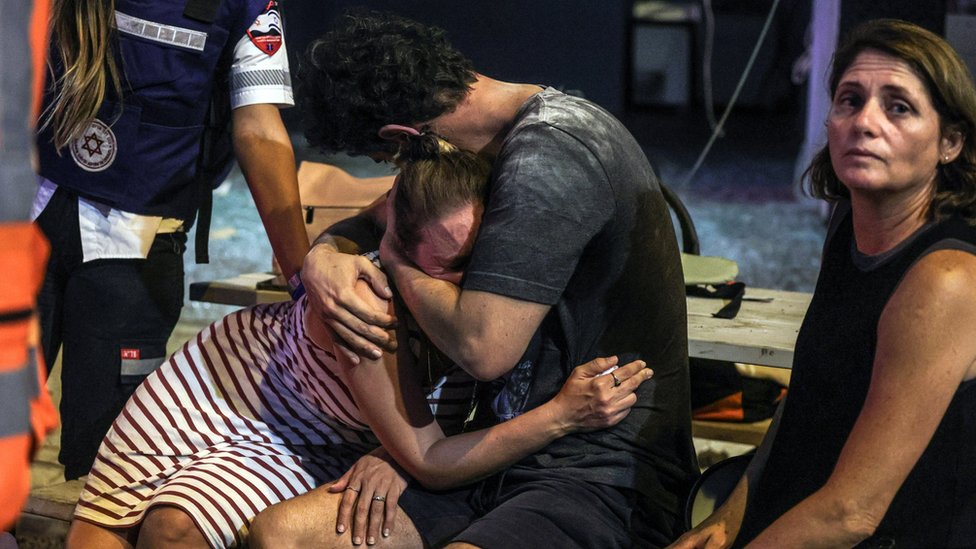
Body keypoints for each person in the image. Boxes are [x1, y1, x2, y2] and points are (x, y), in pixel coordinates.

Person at [66, 133, 651, 548]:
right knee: (142, 530)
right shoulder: (367, 302)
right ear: (400, 248)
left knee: (177, 527)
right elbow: (431, 461)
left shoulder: (477, 271)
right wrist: (561, 415)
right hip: (233, 394)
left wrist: (396, 455)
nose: (474, 279)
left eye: (481, 257)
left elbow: (428, 444)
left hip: (327, 436)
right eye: (450, 264)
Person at [261, 11, 699, 548]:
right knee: (283, 536)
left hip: (597, 469)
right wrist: (323, 256)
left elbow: (483, 349)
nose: (397, 175)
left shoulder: (551, 157)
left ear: (402, 136)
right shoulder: (488, 150)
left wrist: (397, 260)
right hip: (495, 448)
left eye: (386, 158)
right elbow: (380, 216)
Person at [671, 18, 976, 548]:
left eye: (898, 107)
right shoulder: (848, 219)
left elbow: (853, 514)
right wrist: (729, 518)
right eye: (849, 100)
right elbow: (804, 400)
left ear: (949, 141)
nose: (865, 122)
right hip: (817, 498)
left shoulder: (946, 278)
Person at [32, 0, 309, 481]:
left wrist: (303, 278)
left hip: (134, 240)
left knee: (109, 458)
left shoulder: (246, 6)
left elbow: (260, 129)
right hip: (24, 217)